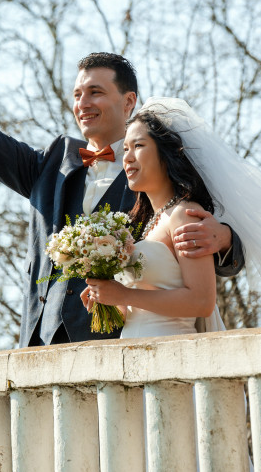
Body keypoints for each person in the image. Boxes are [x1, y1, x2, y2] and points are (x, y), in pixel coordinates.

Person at [0, 30, 243, 347]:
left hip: (120, 345)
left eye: (95, 92)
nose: (82, 103)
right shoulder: (51, 163)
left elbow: (205, 240)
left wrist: (224, 237)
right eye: (77, 94)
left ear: (129, 102)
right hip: (39, 344)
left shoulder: (157, 174)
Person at [81, 99, 261, 338]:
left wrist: (125, 295)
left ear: (166, 154)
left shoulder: (185, 214)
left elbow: (201, 301)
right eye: (125, 149)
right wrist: (107, 296)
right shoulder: (144, 226)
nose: (128, 157)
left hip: (171, 352)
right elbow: (137, 310)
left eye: (138, 146)